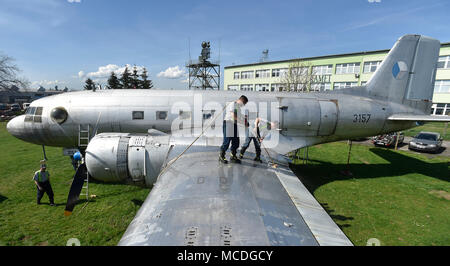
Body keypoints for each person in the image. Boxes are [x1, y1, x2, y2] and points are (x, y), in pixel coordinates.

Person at [219, 95, 248, 164]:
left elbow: (239, 116)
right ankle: (221, 156)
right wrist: (244, 123)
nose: (243, 105)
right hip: (228, 123)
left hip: (234, 124)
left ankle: (233, 156)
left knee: (236, 141)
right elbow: (233, 116)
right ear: (241, 100)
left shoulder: (238, 107)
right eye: (244, 103)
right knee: (227, 141)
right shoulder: (233, 104)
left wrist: (245, 119)